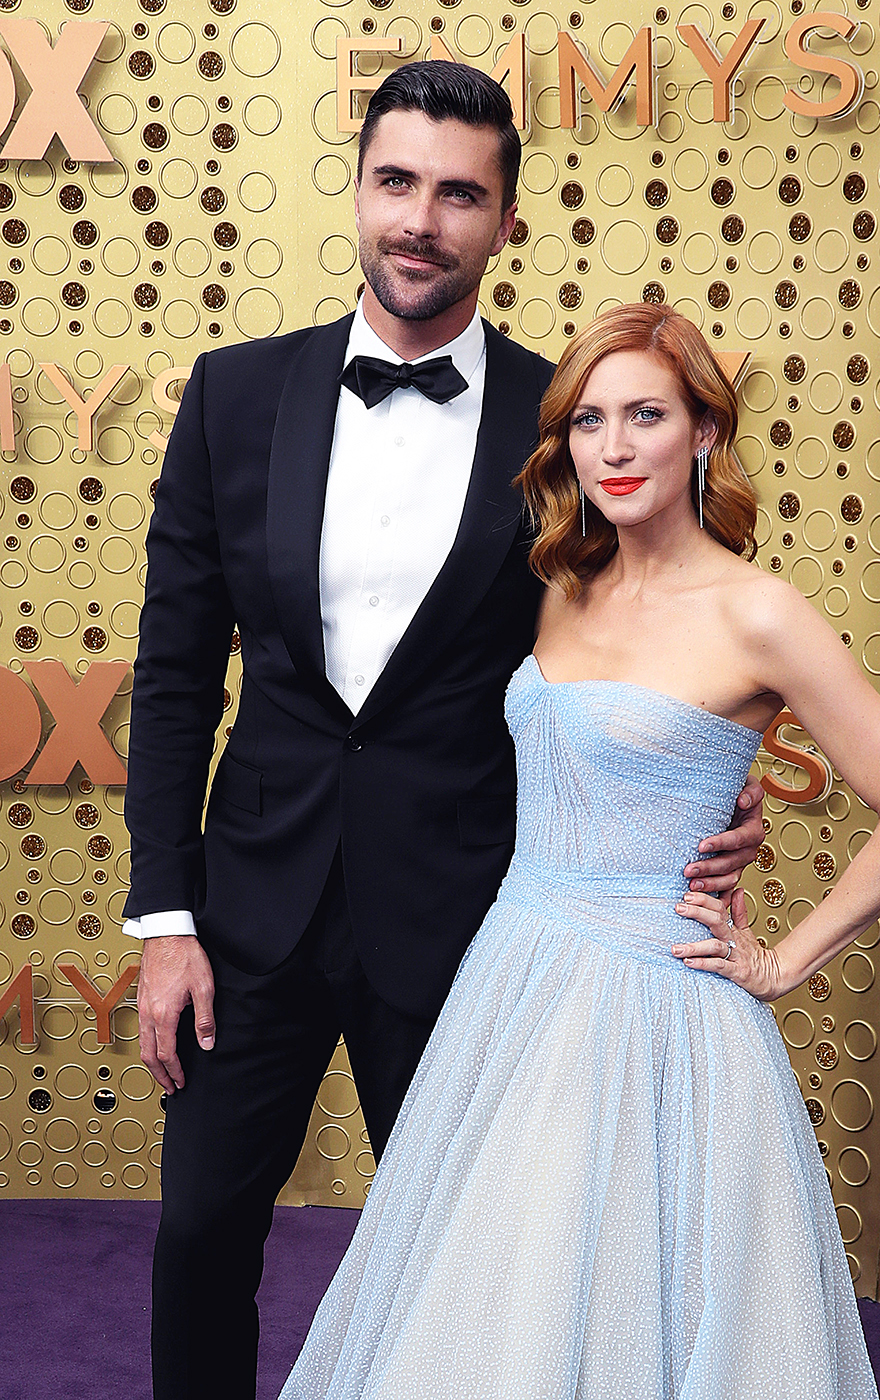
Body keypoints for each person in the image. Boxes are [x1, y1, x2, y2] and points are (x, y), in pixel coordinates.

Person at [124, 66, 765, 1400]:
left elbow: (654, 621)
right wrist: (164, 923)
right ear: (360, 193)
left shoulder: (565, 419)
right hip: (250, 914)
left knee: (483, 1275)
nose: (422, 219)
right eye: (399, 182)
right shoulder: (230, 395)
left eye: (459, 193)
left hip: (474, 922)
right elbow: (177, 678)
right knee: (196, 1240)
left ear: (505, 222)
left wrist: (707, 782)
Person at [277, 303, 880, 1400]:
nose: (615, 445)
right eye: (589, 420)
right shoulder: (557, 581)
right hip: (513, 980)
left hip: (658, 1010)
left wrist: (783, 962)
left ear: (702, 430)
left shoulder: (760, 613)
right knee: (496, 1300)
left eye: (647, 413)